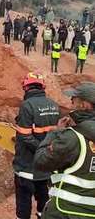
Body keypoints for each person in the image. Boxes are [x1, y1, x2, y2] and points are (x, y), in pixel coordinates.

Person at [34, 82, 95, 219]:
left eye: (73, 101)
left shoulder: (72, 138)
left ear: (84, 105)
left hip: (65, 212)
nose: (71, 104)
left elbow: (41, 161)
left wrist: (55, 133)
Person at [13, 73, 60, 219]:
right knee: (43, 204)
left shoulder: (27, 105)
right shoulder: (53, 104)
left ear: (26, 87)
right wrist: (46, 151)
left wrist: (40, 149)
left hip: (26, 168)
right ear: (42, 87)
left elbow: (25, 136)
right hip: (45, 169)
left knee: (23, 205)